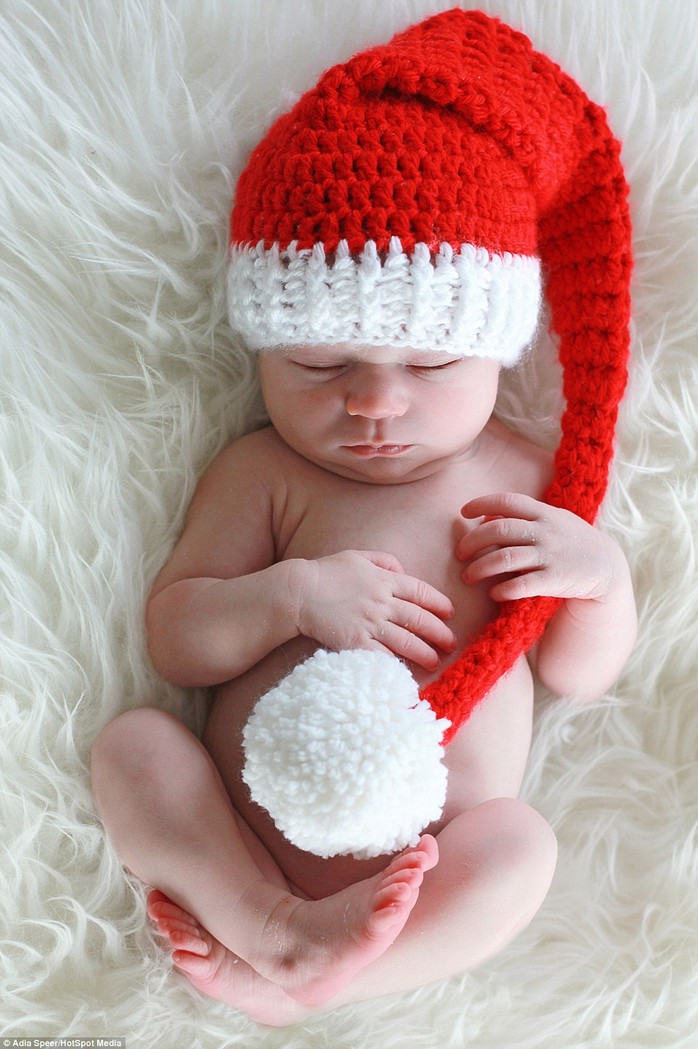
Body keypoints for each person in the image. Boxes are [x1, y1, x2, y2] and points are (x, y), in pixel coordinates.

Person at [91, 9, 637, 1027]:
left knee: (519, 850)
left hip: (431, 844)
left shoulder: (523, 475)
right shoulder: (264, 471)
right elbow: (179, 637)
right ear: (262, 350)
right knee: (133, 746)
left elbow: (575, 672)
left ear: (496, 352)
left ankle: (301, 977)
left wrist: (595, 577)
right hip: (245, 825)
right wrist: (286, 597)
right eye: (317, 362)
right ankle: (266, 919)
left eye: (428, 364)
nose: (373, 400)